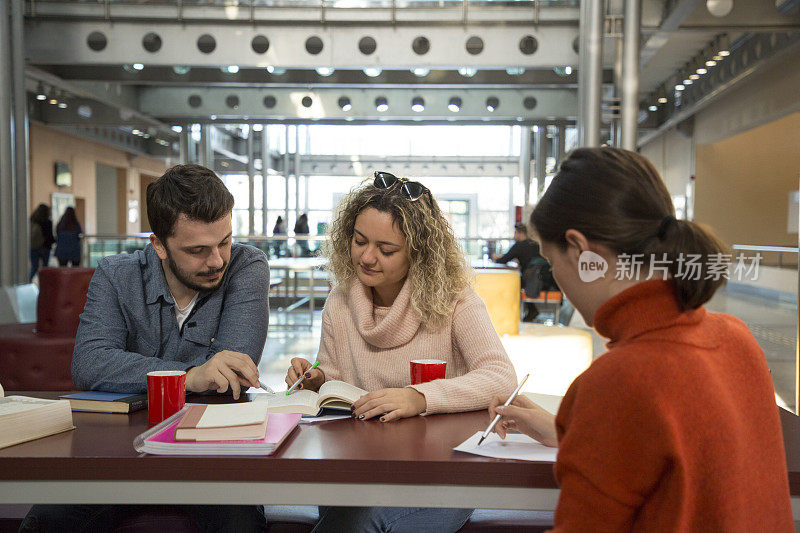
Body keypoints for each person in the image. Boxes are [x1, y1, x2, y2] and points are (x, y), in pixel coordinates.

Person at [487, 148, 793, 531]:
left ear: (582, 251)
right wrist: (570, 432)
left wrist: (594, 419)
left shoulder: (620, 378)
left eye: (552, 262)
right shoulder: (734, 337)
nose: (558, 281)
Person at [22, 164, 270, 532]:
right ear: (158, 245)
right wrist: (191, 375)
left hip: (213, 456)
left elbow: (232, 373)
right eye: (197, 250)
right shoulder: (116, 274)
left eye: (224, 241)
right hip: (121, 453)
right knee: (44, 523)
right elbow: (89, 363)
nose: (217, 260)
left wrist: (138, 372)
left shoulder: (246, 266)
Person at [286, 171, 518, 533]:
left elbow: (501, 377)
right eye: (359, 241)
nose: (366, 257)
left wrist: (418, 397)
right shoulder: (340, 300)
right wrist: (315, 379)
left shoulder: (455, 299)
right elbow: (333, 376)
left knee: (355, 523)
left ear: (419, 252)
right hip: (357, 469)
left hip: (438, 475)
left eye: (387, 249)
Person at [491, 222, 543, 321]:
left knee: (513, 282)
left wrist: (495, 257)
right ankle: (531, 310)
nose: (514, 236)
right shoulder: (535, 244)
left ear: (520, 233)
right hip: (541, 280)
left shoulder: (519, 245)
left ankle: (508, 313)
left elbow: (502, 261)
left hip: (530, 282)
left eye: (515, 233)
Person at [29, 203, 55, 281]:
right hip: (45, 247)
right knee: (45, 268)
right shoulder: (48, 222)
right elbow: (49, 236)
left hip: (33, 246)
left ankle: (28, 282)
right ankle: (43, 285)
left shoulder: (32, 220)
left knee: (34, 267)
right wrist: (54, 241)